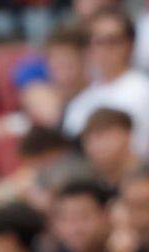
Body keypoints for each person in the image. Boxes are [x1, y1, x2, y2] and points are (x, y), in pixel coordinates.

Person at [63, 8, 149, 156]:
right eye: (97, 42)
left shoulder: (144, 90)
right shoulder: (79, 101)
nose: (104, 49)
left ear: (130, 44)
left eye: (112, 41)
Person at [81, 108, 139, 190]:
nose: (96, 145)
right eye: (88, 138)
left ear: (127, 134)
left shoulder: (145, 177)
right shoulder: (83, 183)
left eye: (102, 135)